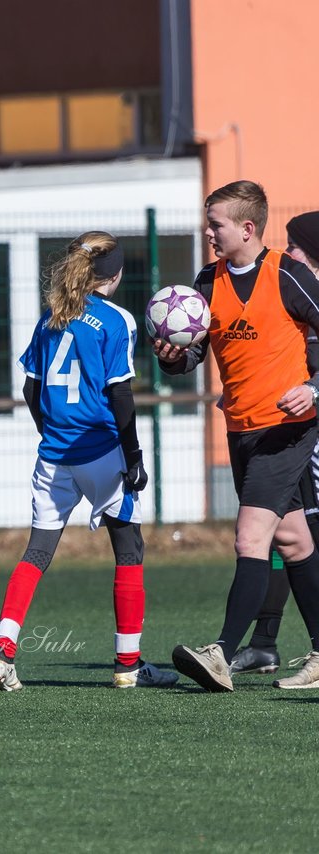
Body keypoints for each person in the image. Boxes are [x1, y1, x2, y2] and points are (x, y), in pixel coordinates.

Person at [0, 232, 177, 691]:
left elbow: (31, 390)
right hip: (101, 452)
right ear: (117, 274)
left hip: (53, 457)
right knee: (129, 550)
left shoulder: (51, 317)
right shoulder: (117, 320)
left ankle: (2, 652)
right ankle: (128, 666)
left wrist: (50, 432)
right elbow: (120, 393)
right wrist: (134, 456)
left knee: (36, 553)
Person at [160, 181, 319, 692]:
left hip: (288, 431)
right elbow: (192, 355)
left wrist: (314, 388)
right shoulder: (206, 282)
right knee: (293, 542)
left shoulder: (289, 275)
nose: (208, 233)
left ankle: (221, 653)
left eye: (216, 225)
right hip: (242, 429)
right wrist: (174, 359)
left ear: (247, 229)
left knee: (250, 537)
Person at [230, 209, 319, 676]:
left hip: (305, 434)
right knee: (291, 536)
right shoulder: (287, 291)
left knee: (288, 536)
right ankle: (265, 641)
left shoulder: (303, 293)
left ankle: (242, 646)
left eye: (297, 245)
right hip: (289, 431)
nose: (289, 252)